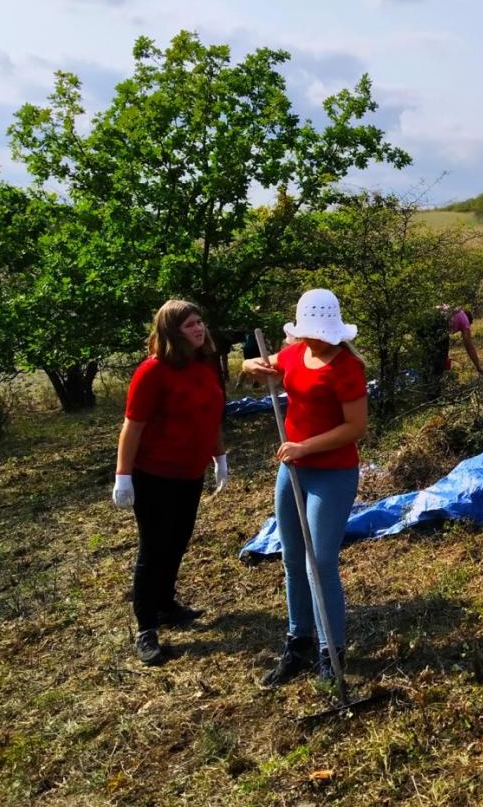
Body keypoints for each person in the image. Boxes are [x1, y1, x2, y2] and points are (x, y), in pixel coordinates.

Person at [241, 289, 369, 687]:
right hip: (293, 471)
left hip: (331, 473)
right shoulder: (296, 353)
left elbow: (355, 428)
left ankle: (332, 651)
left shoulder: (346, 368)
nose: (315, 338)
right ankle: (298, 641)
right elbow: (262, 363)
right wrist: (252, 367)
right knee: (292, 558)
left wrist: (303, 447)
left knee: (322, 561)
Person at [113, 300, 228, 666]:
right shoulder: (152, 372)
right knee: (154, 547)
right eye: (190, 324)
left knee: (178, 539)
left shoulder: (205, 365)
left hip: (189, 473)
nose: (199, 328)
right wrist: (123, 475)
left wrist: (219, 456)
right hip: (154, 476)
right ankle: (146, 627)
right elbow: (133, 426)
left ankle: (165, 604)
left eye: (200, 321)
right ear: (170, 332)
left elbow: (212, 415)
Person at [422, 304, 483, 389]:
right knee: (439, 360)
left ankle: (425, 384)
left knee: (426, 356)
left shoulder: (456, 310)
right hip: (437, 326)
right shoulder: (465, 321)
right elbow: (469, 347)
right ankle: (433, 391)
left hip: (423, 321)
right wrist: (478, 366)